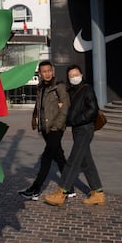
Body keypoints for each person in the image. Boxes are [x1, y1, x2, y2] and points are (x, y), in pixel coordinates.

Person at [44, 64, 106, 206]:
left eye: (76, 74)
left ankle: (62, 192)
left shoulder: (87, 89)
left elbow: (93, 110)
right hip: (77, 130)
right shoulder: (71, 91)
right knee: (85, 161)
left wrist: (75, 120)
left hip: (85, 129)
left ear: (82, 74)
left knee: (73, 160)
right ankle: (98, 192)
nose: (74, 77)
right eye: (71, 76)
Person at [19, 60, 73, 200]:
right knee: (59, 157)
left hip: (55, 128)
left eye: (49, 70)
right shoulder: (41, 87)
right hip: (45, 128)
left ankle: (35, 189)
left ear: (52, 71)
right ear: (40, 74)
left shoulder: (59, 87)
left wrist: (58, 125)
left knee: (46, 158)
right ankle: (70, 187)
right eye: (44, 71)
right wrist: (37, 122)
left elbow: (65, 107)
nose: (47, 73)